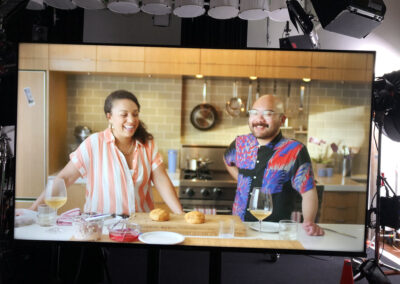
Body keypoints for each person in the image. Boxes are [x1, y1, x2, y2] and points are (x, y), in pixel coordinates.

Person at [29, 90, 183, 216]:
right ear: (109, 117)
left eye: (135, 114)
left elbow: (162, 181)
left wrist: (180, 214)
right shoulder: (94, 143)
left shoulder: (147, 144)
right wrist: (33, 209)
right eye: (124, 115)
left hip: (140, 227)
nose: (131, 120)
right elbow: (65, 177)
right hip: (100, 226)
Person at [224, 94, 324, 236]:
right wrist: (241, 180)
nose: (259, 119)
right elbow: (227, 160)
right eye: (254, 113)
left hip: (274, 231)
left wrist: (309, 221)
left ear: (282, 120)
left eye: (268, 114)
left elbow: (308, 192)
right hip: (239, 228)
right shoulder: (241, 143)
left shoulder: (295, 150)